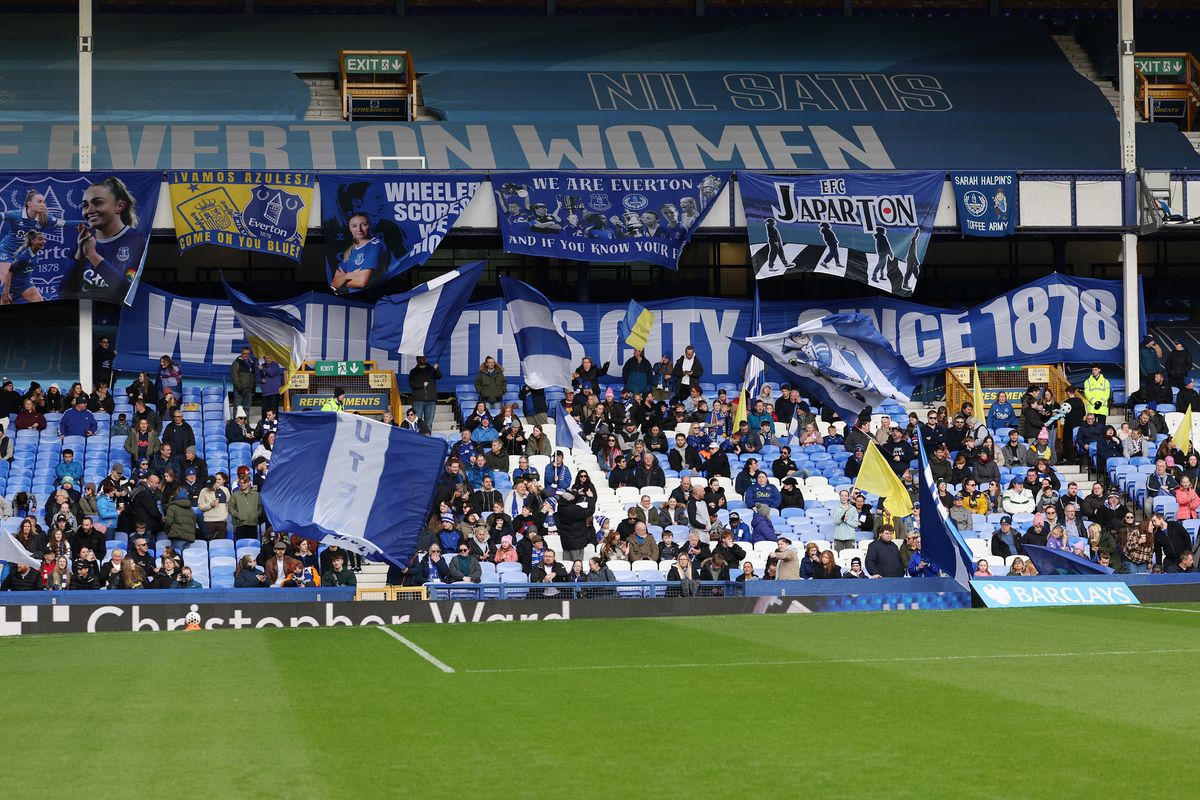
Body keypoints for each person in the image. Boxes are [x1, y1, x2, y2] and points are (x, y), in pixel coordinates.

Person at [230, 347, 258, 415]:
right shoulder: (236, 362)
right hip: (239, 390)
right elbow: (235, 377)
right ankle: (235, 425)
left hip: (249, 390)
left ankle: (246, 425)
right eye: (244, 353)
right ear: (241, 354)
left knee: (247, 408)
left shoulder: (252, 363)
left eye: (248, 354)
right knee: (238, 408)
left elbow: (253, 377)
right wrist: (239, 388)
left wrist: (253, 388)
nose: (246, 355)